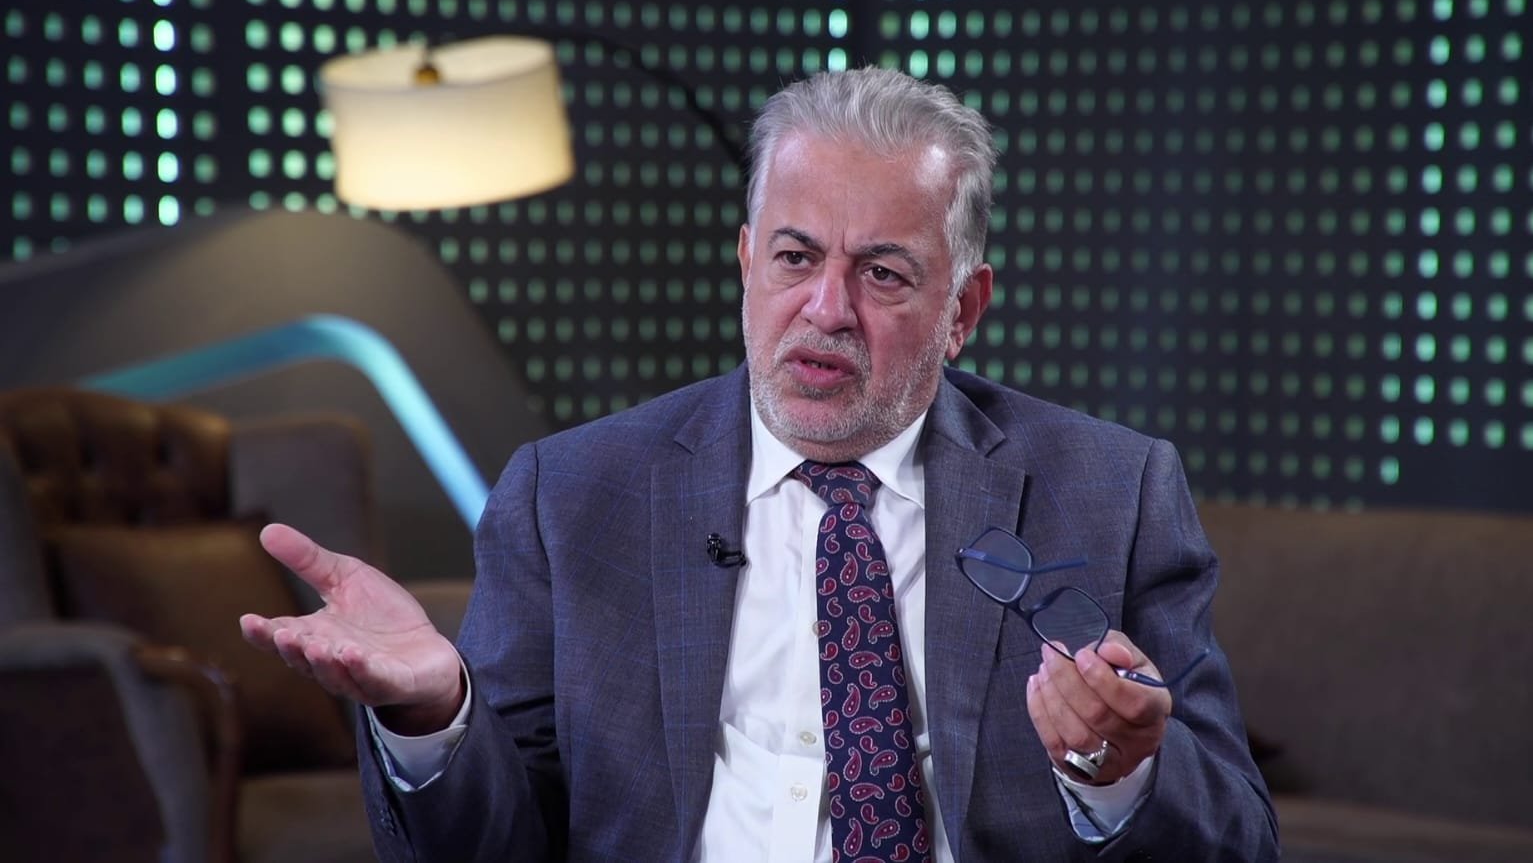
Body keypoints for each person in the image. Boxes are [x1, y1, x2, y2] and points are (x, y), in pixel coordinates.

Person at [242, 67, 1277, 861]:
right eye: (795, 257)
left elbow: (1241, 836)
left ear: (963, 308)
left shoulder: (1113, 490)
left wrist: (1121, 772)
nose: (827, 308)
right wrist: (432, 710)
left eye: (883, 273)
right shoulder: (571, 494)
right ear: (746, 262)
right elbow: (492, 845)